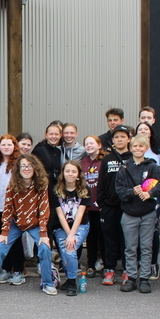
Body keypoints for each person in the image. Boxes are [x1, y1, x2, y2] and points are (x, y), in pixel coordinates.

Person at [0, 154, 57, 295]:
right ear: (18, 169)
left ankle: (48, 283)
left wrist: (44, 234)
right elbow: (7, 209)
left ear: (35, 168)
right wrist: (4, 233)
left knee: (44, 248)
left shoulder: (41, 185)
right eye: (23, 166)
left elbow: (44, 210)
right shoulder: (13, 185)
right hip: (16, 222)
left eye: (29, 165)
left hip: (35, 223)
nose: (26, 169)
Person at [115, 134, 160, 293]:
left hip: (148, 213)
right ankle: (131, 277)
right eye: (135, 146)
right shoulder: (124, 169)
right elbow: (119, 191)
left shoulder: (152, 167)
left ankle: (144, 278)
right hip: (129, 213)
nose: (138, 149)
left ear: (146, 148)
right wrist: (132, 192)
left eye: (141, 146)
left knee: (146, 247)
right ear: (131, 148)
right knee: (130, 247)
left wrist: (151, 193)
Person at [96, 124, 132, 286]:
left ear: (129, 139)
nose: (119, 139)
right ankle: (109, 269)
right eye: (116, 137)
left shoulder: (133, 158)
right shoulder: (107, 158)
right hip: (109, 206)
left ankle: (127, 270)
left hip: (128, 206)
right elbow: (101, 183)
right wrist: (102, 204)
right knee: (109, 239)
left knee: (127, 240)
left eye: (122, 136)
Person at [0, 135, 24, 284]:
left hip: (14, 209)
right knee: (1, 240)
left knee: (15, 240)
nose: (6, 147)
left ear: (14, 146)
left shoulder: (19, 165)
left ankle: (19, 271)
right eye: (3, 145)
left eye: (9, 144)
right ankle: (6, 270)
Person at [52, 160, 91, 296]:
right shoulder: (56, 191)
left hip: (80, 226)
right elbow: (60, 215)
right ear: (63, 173)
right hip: (61, 227)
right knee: (64, 253)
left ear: (78, 174)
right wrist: (68, 234)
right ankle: (69, 279)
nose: (70, 174)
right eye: (67, 171)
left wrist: (72, 235)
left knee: (70, 250)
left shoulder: (85, 190)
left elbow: (80, 215)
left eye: (74, 171)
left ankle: (72, 281)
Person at [136, 121, 160, 279]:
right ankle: (139, 263)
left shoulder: (158, 150)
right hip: (137, 197)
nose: (143, 131)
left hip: (154, 197)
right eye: (140, 129)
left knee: (152, 231)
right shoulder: (133, 151)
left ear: (151, 132)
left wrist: (153, 190)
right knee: (137, 231)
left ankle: (153, 263)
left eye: (145, 129)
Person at [79, 135, 106, 277]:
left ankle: (105, 263)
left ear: (99, 145)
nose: (89, 146)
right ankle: (91, 264)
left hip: (102, 205)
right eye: (86, 144)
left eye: (92, 143)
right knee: (91, 236)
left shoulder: (105, 161)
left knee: (103, 236)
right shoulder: (82, 163)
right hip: (88, 206)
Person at [32, 120, 64, 185]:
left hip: (56, 188)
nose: (53, 137)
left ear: (60, 135)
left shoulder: (59, 151)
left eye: (56, 134)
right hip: (43, 187)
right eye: (51, 134)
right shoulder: (38, 150)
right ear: (46, 135)